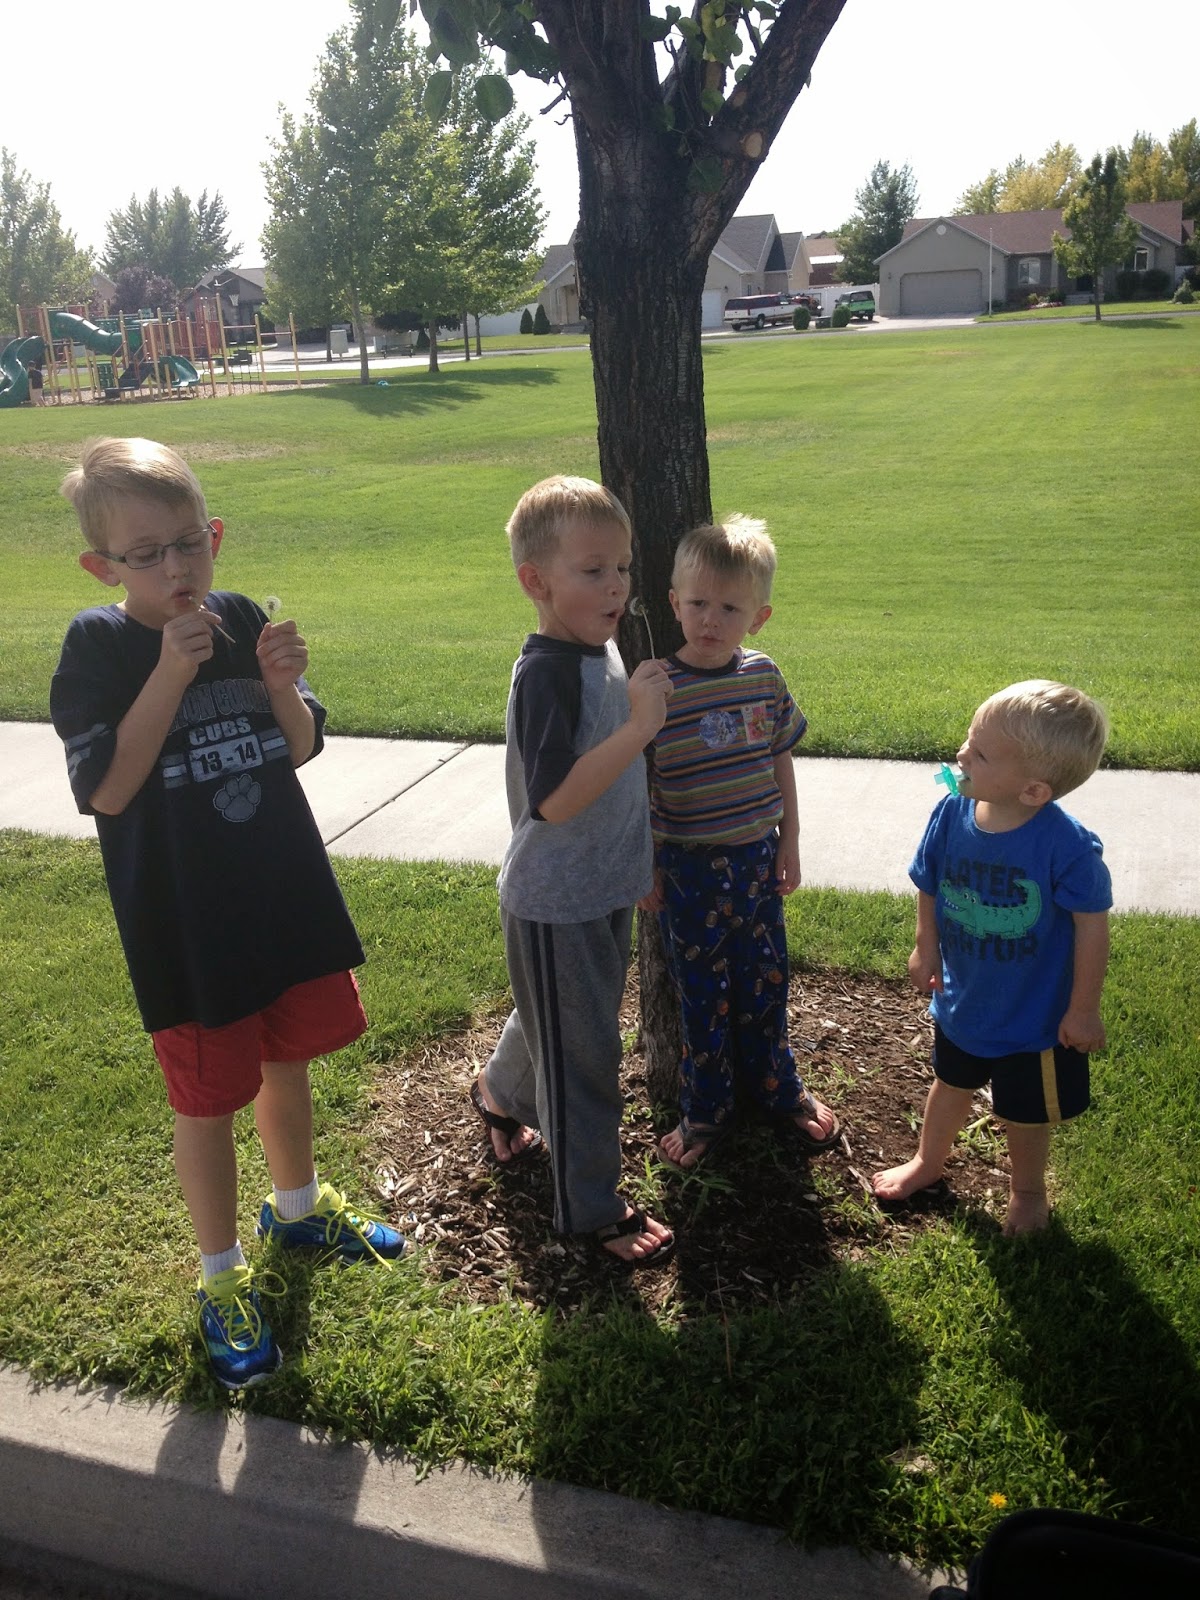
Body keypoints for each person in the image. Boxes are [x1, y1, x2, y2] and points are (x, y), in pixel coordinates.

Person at [50, 437, 407, 1391]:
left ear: (213, 537)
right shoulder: (96, 648)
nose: (175, 568)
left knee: (288, 1060)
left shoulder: (242, 618)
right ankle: (221, 1277)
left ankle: (297, 1207)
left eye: (187, 544)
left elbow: (299, 747)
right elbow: (108, 790)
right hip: (187, 926)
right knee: (206, 1100)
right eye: (146, 554)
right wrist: (169, 672)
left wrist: (283, 688)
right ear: (103, 566)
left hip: (277, 896)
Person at [469, 474, 676, 1265]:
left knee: (559, 1019)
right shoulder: (547, 674)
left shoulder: (599, 646)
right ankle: (589, 1209)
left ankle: (499, 1092)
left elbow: (613, 784)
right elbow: (555, 800)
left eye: (621, 566)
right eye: (593, 570)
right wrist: (641, 727)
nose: (617, 584)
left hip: (603, 885)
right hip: (556, 900)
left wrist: (636, 861)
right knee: (584, 1056)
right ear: (537, 582)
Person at [872, 680, 1112, 1236]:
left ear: (1033, 790)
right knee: (949, 1083)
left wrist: (1083, 1010)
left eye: (980, 754)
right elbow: (929, 881)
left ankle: (1027, 1191)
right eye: (968, 739)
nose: (961, 755)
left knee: (1025, 1114)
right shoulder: (951, 810)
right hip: (965, 1000)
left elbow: (1092, 928)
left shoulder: (1067, 847)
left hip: (1036, 1019)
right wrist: (925, 944)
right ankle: (927, 1163)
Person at [638, 517, 841, 1168]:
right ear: (675, 603)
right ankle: (706, 1109)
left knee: (766, 984)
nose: (711, 619)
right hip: (688, 869)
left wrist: (791, 840)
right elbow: (636, 781)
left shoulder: (763, 677)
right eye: (698, 603)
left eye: (730, 608)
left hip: (757, 860)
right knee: (702, 998)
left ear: (759, 617)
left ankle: (779, 1088)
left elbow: (781, 758)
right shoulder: (655, 688)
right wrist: (645, 862)